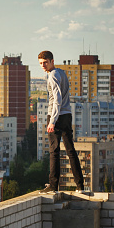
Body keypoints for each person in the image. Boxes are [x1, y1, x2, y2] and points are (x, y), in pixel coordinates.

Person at [38, 50, 85, 194]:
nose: (43, 66)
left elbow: (57, 99)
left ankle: (53, 185)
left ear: (52, 61)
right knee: (71, 151)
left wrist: (52, 121)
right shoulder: (61, 73)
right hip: (67, 115)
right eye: (41, 63)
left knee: (54, 152)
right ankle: (80, 186)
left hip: (56, 116)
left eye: (45, 62)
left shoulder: (52, 76)